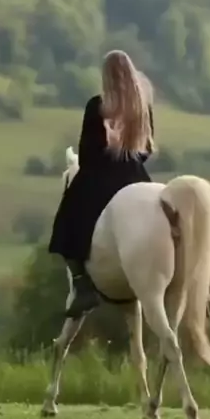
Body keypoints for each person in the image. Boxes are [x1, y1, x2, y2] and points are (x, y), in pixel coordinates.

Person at [48, 50, 156, 320]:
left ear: (106, 76)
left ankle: (82, 285)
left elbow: (86, 153)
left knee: (67, 217)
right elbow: (147, 148)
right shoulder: (142, 107)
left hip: (101, 175)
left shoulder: (97, 106)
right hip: (135, 173)